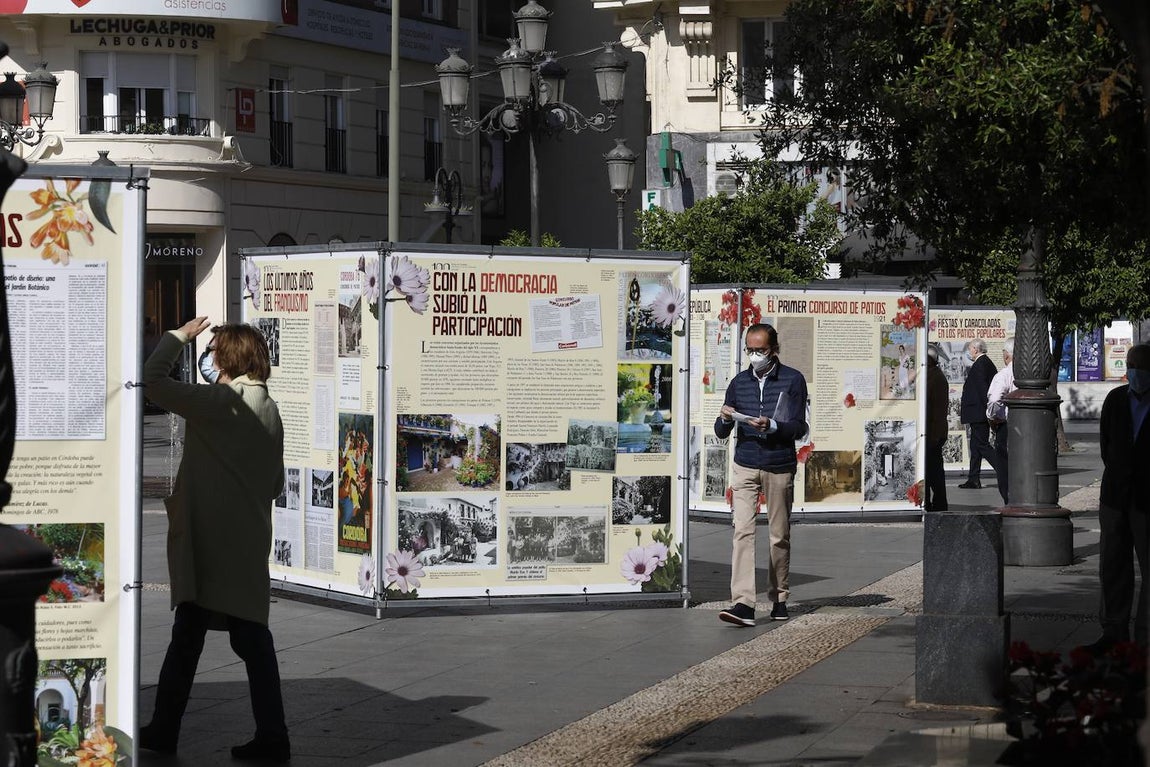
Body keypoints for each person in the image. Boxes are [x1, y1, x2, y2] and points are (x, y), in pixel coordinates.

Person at [139, 317, 290, 763]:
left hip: (211, 541)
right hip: (245, 539)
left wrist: (178, 338)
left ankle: (168, 730)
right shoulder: (269, 407)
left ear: (226, 358)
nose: (210, 358)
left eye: (214, 351)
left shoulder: (219, 401)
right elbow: (275, 481)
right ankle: (270, 734)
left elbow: (152, 382)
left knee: (192, 635)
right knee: (245, 636)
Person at [715, 323, 809, 627]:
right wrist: (724, 417)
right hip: (745, 462)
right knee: (741, 531)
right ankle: (743, 603)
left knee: (778, 535)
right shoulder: (739, 382)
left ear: (774, 349)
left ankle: (779, 597)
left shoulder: (793, 380)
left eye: (760, 350)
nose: (755, 356)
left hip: (778, 463)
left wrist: (773, 426)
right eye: (750, 350)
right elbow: (721, 431)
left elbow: (800, 427)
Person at [1085, 343, 1150, 653]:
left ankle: (1145, 636)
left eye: (1141, 366)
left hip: (1146, 500)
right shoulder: (1115, 400)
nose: (1135, 372)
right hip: (1114, 497)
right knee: (1113, 563)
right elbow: (1106, 445)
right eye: (1131, 365)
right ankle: (1114, 631)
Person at [958, 338, 1000, 489]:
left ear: (976, 349)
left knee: (982, 445)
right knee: (975, 447)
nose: (969, 351)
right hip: (978, 412)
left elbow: (984, 391)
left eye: (970, 349)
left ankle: (1004, 470)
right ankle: (973, 479)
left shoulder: (981, 364)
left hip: (979, 413)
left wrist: (989, 413)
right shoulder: (984, 363)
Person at [986, 338, 1016, 505]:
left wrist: (993, 417)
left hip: (1006, 425)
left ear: (1006, 356)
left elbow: (995, 399)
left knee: (1004, 469)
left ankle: (1009, 501)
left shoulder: (1003, 375)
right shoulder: (1026, 374)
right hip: (1026, 428)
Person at [924, 344, 949, 511]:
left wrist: (935, 436)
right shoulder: (933, 376)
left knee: (934, 471)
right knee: (932, 470)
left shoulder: (935, 378)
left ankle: (939, 503)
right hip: (933, 432)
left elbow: (937, 411)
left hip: (933, 433)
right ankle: (935, 501)